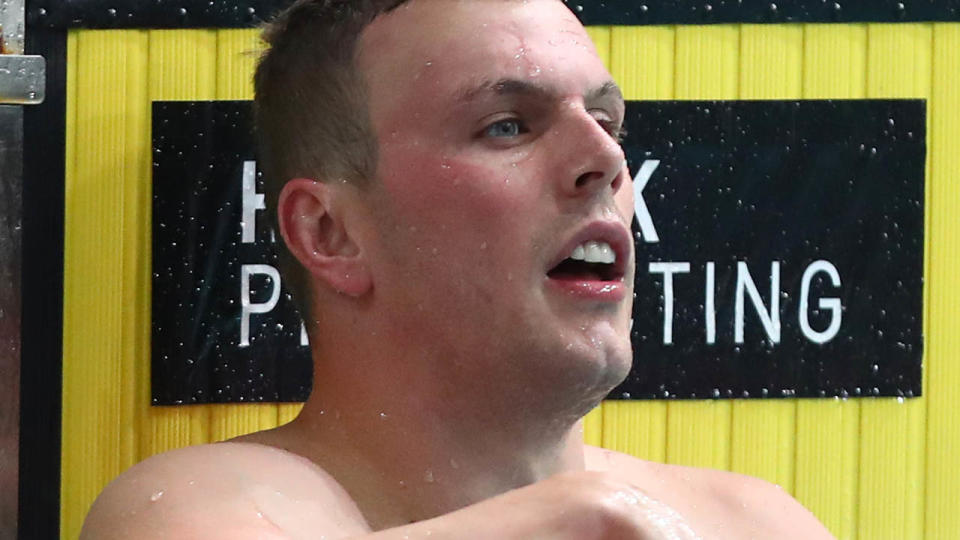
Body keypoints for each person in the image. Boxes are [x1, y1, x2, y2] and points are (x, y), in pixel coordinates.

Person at [81, 0, 835, 538]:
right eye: (507, 125)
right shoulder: (204, 510)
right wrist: (583, 518)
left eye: (605, 123)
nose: (605, 161)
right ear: (332, 232)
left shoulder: (757, 522)